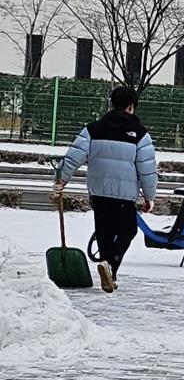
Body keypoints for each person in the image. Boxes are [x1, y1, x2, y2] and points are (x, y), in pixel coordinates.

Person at [52, 85, 158, 294]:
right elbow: (147, 170)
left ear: (112, 104)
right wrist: (149, 197)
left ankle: (108, 269)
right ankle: (109, 265)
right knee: (128, 230)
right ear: (131, 106)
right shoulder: (140, 134)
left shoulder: (93, 129)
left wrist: (61, 180)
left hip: (98, 192)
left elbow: (74, 157)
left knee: (104, 231)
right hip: (124, 193)